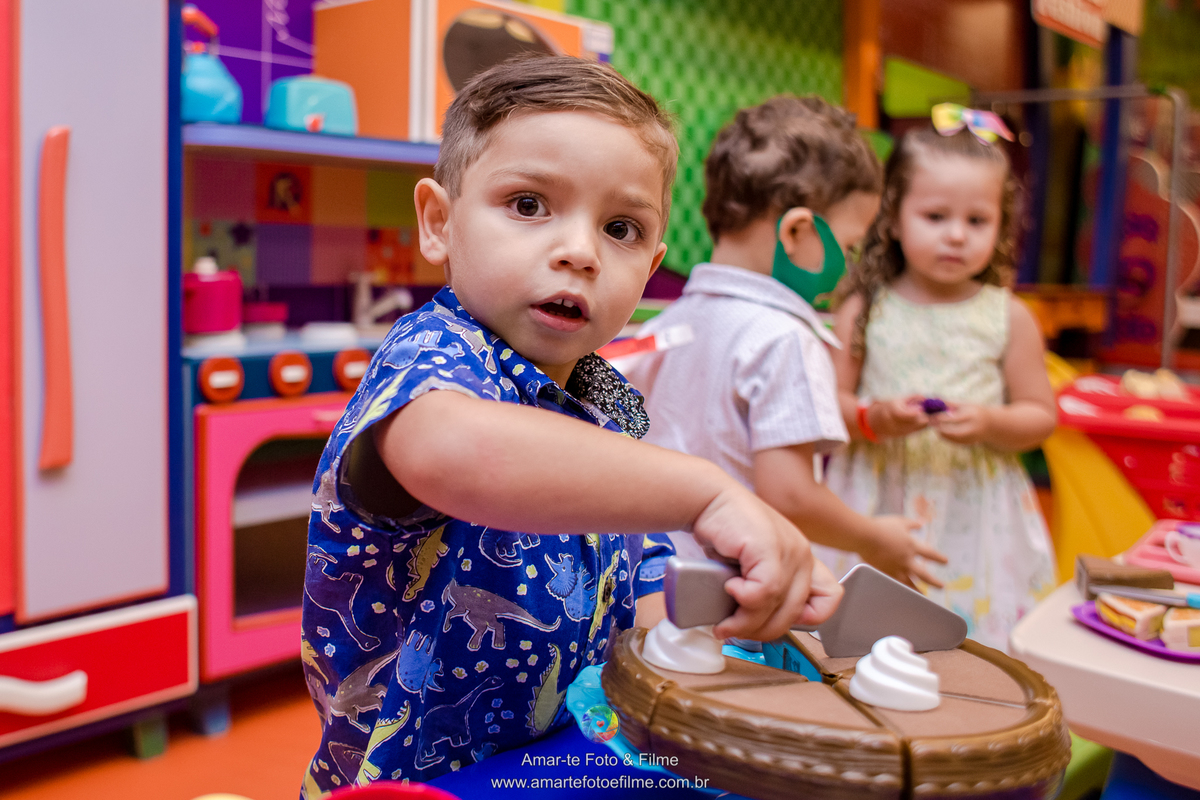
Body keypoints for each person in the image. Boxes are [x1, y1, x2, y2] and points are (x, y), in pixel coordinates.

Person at [299, 57, 841, 795]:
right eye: (527, 205)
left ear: (650, 268)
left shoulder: (600, 401)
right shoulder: (431, 356)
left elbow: (639, 570)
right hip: (416, 784)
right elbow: (453, 450)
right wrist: (705, 491)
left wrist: (722, 620)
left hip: (560, 762)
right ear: (439, 222)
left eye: (620, 228)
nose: (580, 252)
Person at [623, 96, 947, 603]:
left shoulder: (668, 323)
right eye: (850, 243)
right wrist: (873, 538)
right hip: (729, 591)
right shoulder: (785, 338)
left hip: (641, 584)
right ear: (797, 232)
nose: (850, 262)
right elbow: (790, 496)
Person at [825, 117, 1057, 652]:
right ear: (894, 218)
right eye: (935, 216)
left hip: (976, 514)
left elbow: (1039, 417)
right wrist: (875, 417)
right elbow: (825, 407)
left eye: (977, 220)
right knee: (862, 644)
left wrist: (991, 422)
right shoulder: (864, 308)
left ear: (1001, 226)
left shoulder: (1009, 316)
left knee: (971, 650)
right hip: (877, 501)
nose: (956, 234)